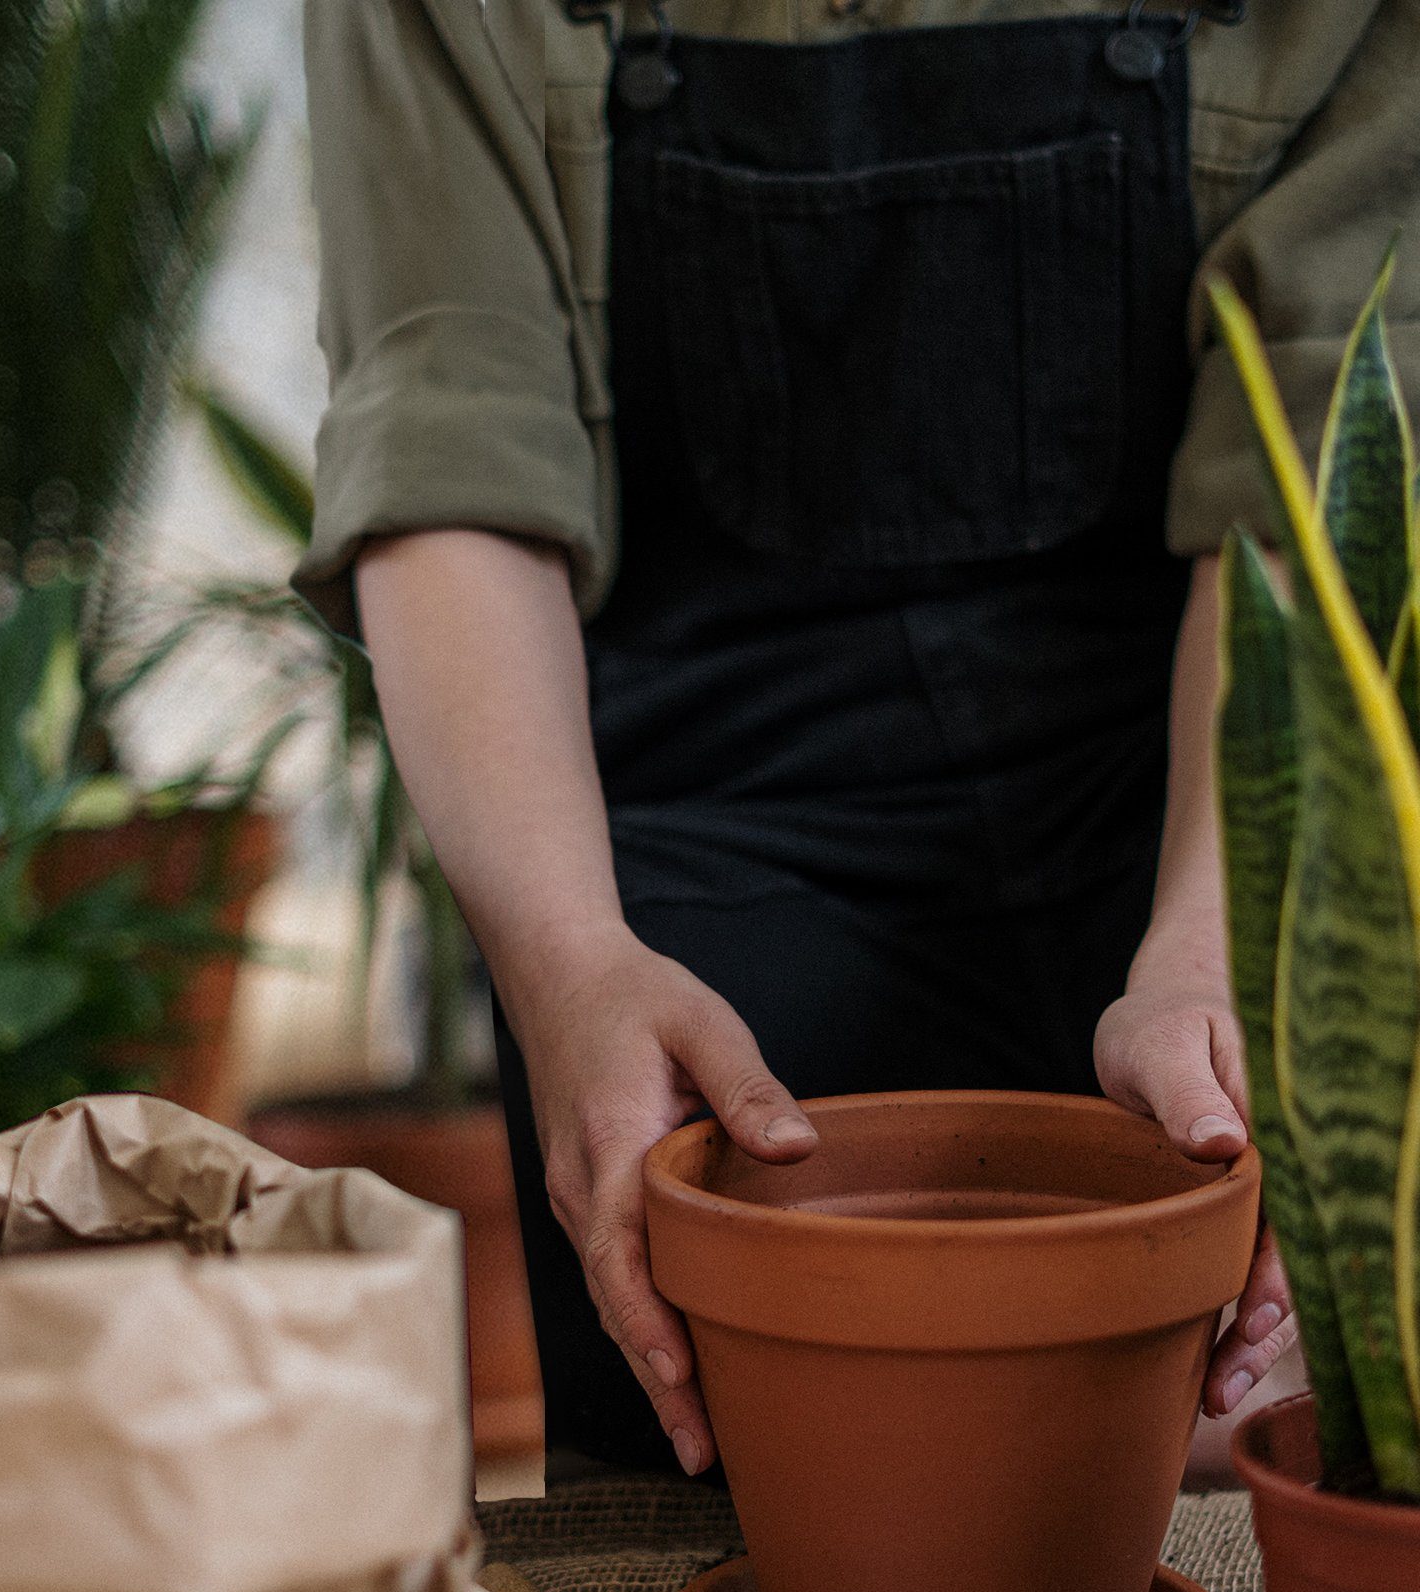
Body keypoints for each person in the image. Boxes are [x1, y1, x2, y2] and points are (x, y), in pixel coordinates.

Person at [295, 0, 1420, 1476]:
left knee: (1214, 1500)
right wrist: (569, 965)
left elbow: (1325, 446)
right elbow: (453, 432)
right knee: (716, 1506)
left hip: (1178, 807)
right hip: (686, 864)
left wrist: (1217, 965)